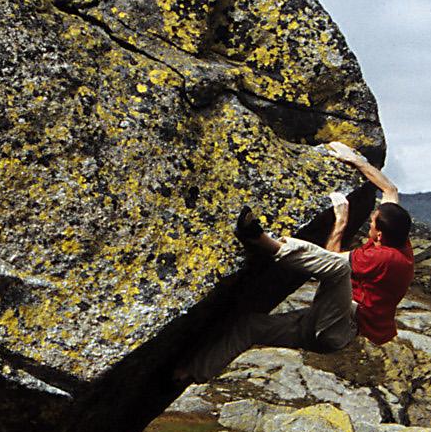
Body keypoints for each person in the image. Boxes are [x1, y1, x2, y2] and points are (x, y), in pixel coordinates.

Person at [176, 142, 413, 384]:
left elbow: (329, 260)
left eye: (373, 223)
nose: (370, 221)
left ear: (380, 236)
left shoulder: (384, 258)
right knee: (249, 326)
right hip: (320, 325)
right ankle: (191, 373)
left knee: (340, 268)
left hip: (340, 326)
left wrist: (341, 221)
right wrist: (353, 159)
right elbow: (390, 190)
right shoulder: (400, 240)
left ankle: (262, 240)